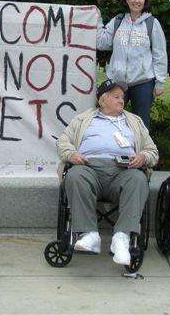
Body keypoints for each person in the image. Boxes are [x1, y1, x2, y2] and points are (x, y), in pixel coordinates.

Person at [56, 79, 158, 265]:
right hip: (88, 168)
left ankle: (121, 238)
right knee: (75, 175)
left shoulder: (134, 121)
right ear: (102, 100)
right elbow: (63, 142)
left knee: (138, 179)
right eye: (116, 97)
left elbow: (152, 151)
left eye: (122, 97)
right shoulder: (83, 119)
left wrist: (143, 157)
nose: (122, 100)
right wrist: (71, 154)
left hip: (124, 171)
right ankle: (89, 235)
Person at [97, 0, 168, 129]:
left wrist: (160, 82)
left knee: (140, 123)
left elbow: (160, 54)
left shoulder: (152, 23)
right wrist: (96, 19)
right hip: (117, 81)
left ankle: (141, 145)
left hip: (143, 82)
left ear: (145, 1)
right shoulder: (118, 21)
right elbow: (102, 43)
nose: (137, 1)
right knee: (111, 118)